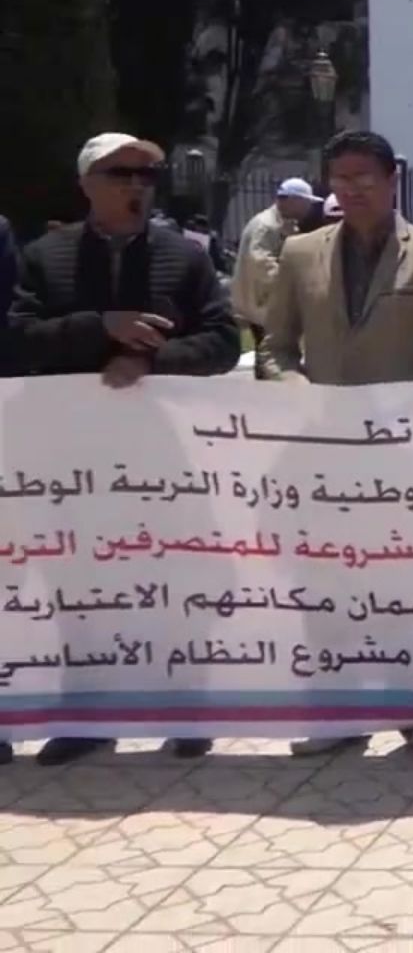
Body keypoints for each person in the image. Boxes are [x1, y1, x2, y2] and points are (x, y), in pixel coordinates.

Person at [7, 132, 240, 766]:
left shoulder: (183, 257)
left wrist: (151, 360)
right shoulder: (45, 257)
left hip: (165, 456)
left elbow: (223, 341)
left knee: (177, 578)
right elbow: (19, 339)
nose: (136, 186)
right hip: (73, 459)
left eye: (146, 176)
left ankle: (186, 711)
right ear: (86, 184)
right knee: (81, 584)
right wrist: (100, 328)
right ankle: (88, 717)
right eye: (120, 174)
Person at [256, 131, 413, 764]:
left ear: (391, 178)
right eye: (340, 178)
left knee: (412, 590)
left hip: (405, 460)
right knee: (327, 590)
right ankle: (338, 715)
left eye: (363, 177)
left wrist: (393, 413)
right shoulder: (299, 254)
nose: (351, 189)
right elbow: (274, 347)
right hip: (321, 457)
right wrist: (294, 389)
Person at [232, 178, 319, 356]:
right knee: (271, 353)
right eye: (306, 202)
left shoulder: (284, 223)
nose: (308, 207)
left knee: (273, 352)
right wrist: (292, 281)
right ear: (292, 200)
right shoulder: (266, 226)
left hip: (269, 302)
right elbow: (260, 263)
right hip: (262, 303)